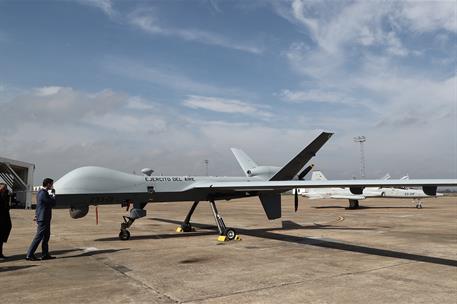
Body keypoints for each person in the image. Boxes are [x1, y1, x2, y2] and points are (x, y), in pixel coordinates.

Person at [26, 178, 56, 261]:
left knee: (46, 236)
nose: (52, 186)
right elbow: (52, 203)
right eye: (51, 184)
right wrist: (53, 196)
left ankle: (45, 254)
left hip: (45, 217)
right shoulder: (43, 193)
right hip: (43, 218)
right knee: (38, 237)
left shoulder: (42, 192)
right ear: (48, 184)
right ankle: (29, 254)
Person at [0, 183, 12, 259]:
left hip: (4, 219)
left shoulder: (5, 195)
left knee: (1, 238)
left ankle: (0, 253)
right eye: (3, 188)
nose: (5, 190)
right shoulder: (2, 196)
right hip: (1, 219)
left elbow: (7, 207)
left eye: (5, 188)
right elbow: (5, 207)